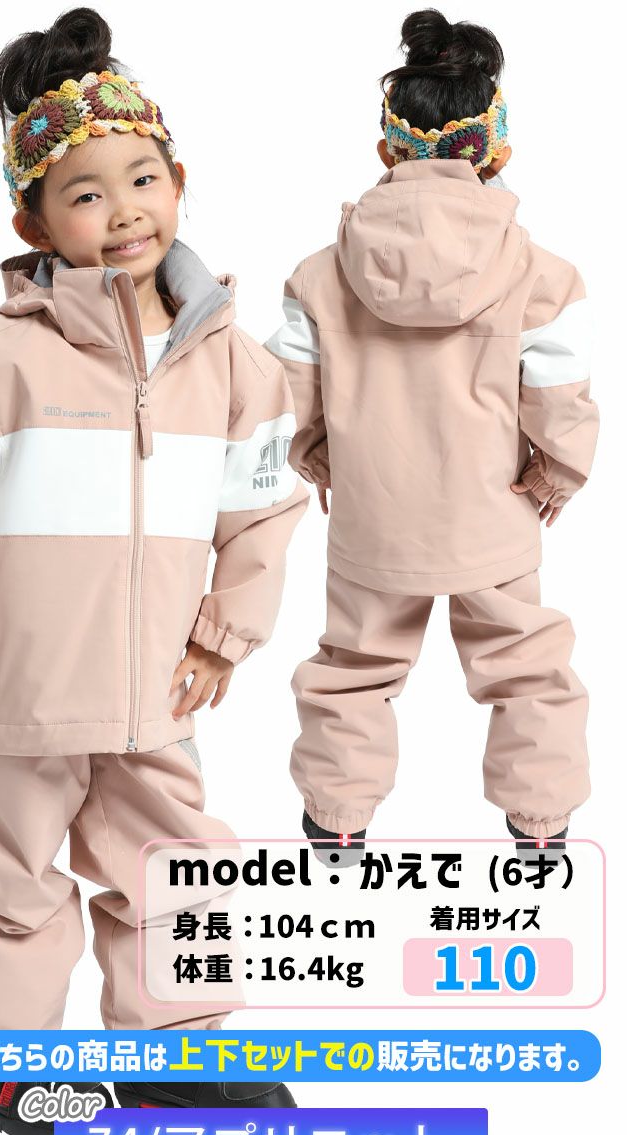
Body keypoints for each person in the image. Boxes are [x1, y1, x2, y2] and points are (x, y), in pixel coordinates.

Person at [0, 7, 305, 1135]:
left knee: (177, 872)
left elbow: (264, 511)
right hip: (13, 688)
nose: (123, 211)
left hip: (156, 690)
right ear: (31, 219)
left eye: (143, 180)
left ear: (180, 184)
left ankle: (189, 1055)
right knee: (5, 874)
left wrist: (223, 631)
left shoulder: (239, 370)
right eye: (84, 193)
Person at [265, 8, 598, 868]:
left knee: (354, 665)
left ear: (388, 148)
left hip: (373, 519)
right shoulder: (536, 272)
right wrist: (558, 472)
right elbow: (558, 389)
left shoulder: (320, 273)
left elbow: (283, 390)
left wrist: (316, 456)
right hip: (493, 515)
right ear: (495, 149)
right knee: (526, 666)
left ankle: (338, 820)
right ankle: (541, 824)